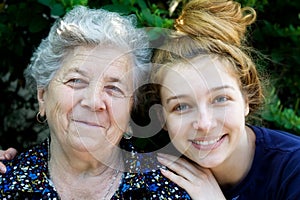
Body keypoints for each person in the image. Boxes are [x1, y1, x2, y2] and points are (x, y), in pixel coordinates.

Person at [0, 5, 189, 199]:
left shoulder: (173, 191)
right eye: (76, 81)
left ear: (130, 110)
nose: (93, 101)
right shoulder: (5, 184)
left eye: (113, 88)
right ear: (42, 96)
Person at [150, 0, 300, 199]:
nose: (204, 123)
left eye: (220, 99)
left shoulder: (293, 168)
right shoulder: (160, 181)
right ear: (162, 119)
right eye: (182, 106)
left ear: (247, 99)